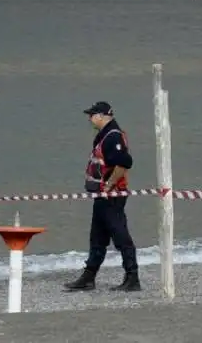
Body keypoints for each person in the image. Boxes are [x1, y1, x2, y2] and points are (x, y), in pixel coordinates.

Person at [64, 101, 141, 292]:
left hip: (112, 196)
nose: (89, 119)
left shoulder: (112, 136)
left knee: (121, 236)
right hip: (102, 196)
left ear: (102, 115)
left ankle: (132, 277)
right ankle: (89, 277)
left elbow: (123, 164)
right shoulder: (104, 135)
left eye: (92, 115)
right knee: (97, 237)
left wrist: (108, 186)